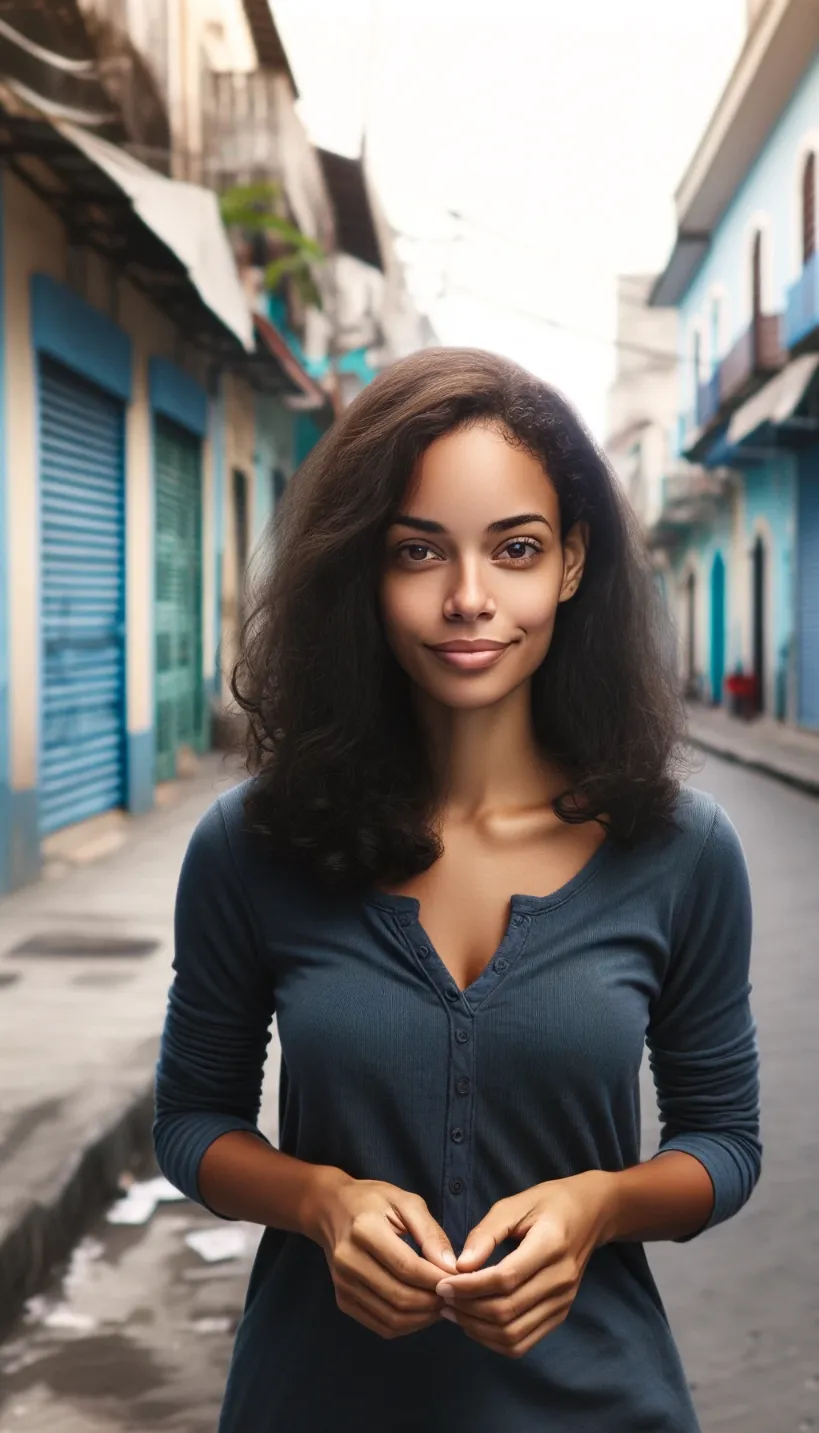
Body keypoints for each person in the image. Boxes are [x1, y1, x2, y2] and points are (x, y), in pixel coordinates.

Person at [153, 347, 761, 1432]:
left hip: (603, 1405)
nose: (470, 599)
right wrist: (319, 1200)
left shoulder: (681, 851)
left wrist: (600, 1202)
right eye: (418, 551)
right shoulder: (253, 844)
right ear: (362, 571)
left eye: (515, 548)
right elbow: (193, 1119)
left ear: (571, 561)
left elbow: (725, 1142)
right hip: (314, 1403)